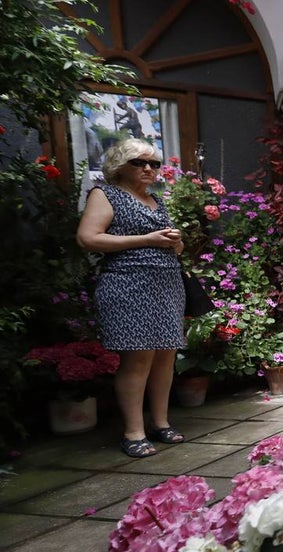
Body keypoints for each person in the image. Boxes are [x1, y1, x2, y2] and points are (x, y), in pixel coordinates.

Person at [77, 138, 187, 458]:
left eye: (155, 163)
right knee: (137, 359)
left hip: (166, 284)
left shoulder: (156, 201)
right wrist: (148, 239)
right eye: (141, 163)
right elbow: (88, 238)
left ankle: (161, 422)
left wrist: (174, 242)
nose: (150, 169)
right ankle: (133, 432)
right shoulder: (105, 193)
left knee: (166, 356)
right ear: (120, 165)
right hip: (128, 284)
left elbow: (167, 245)